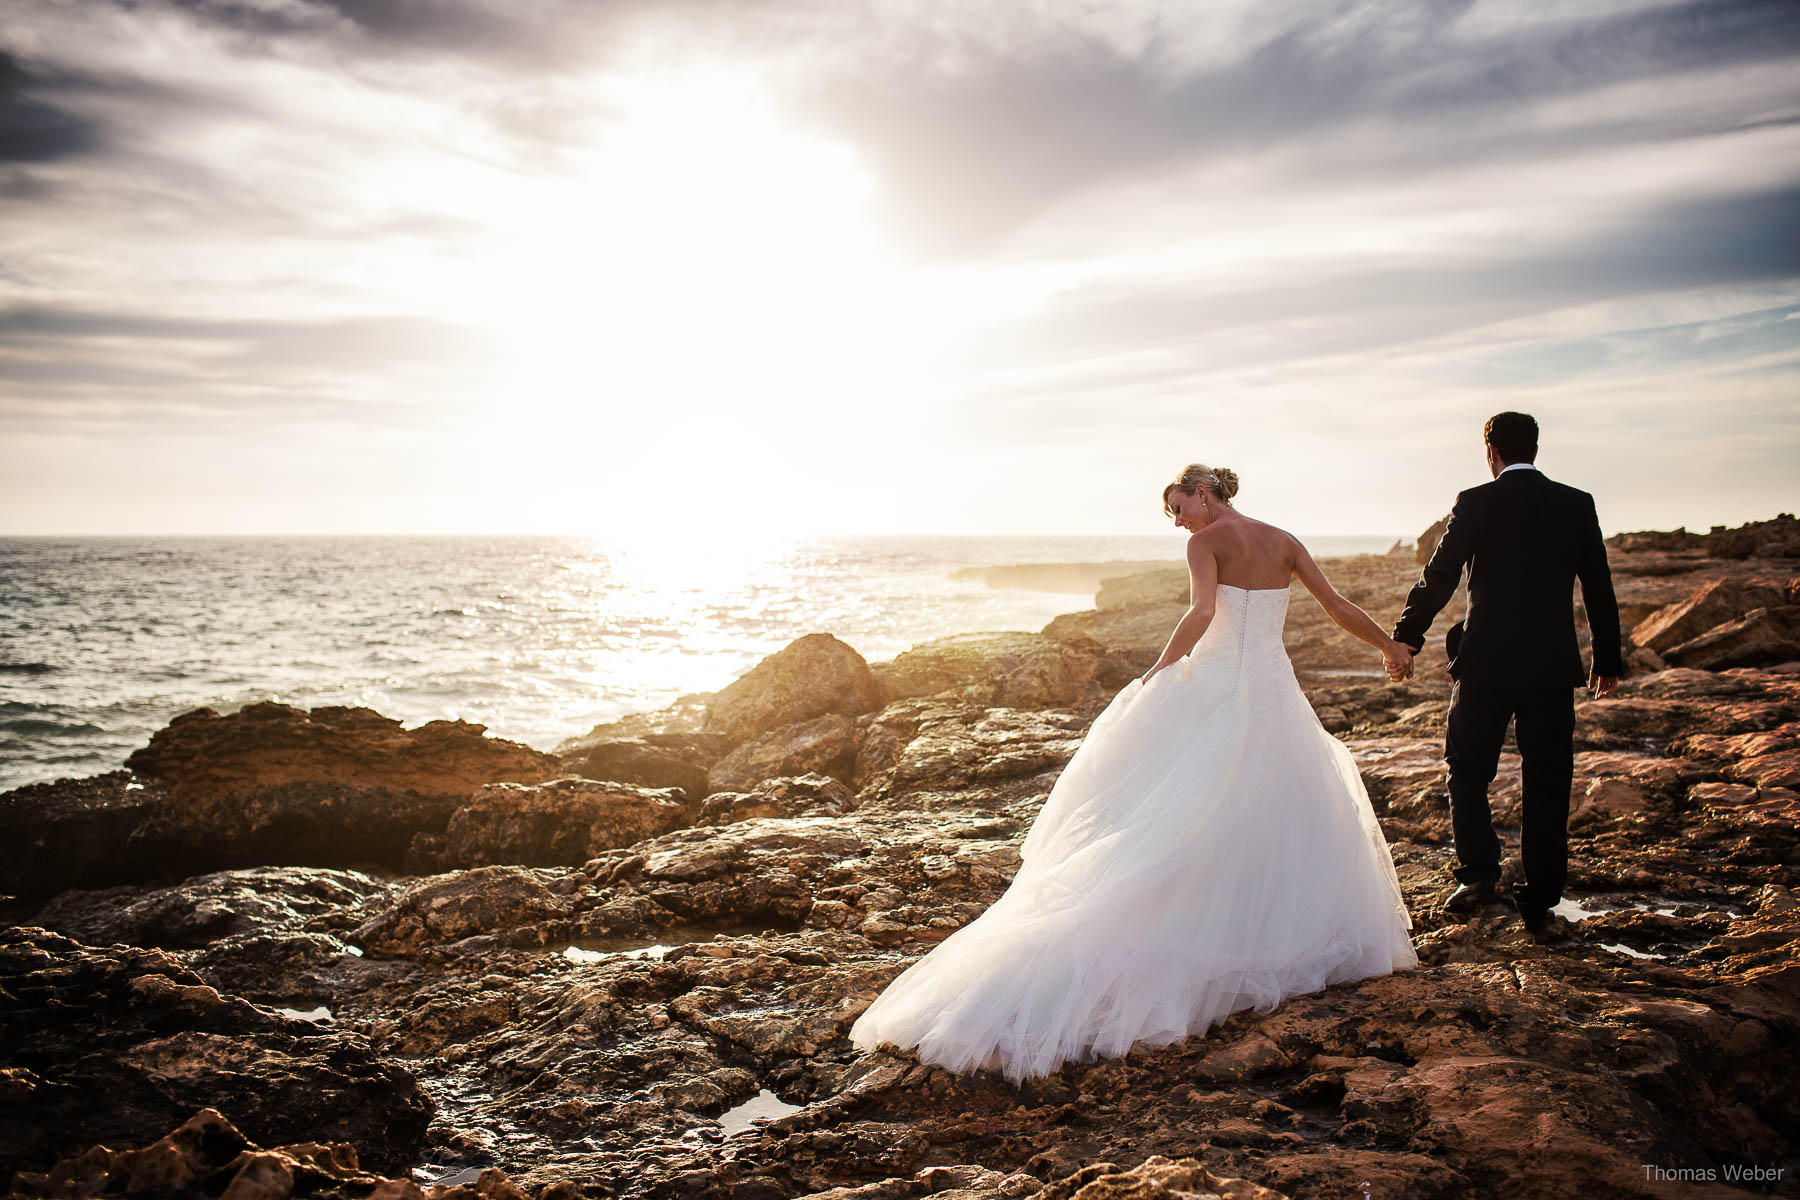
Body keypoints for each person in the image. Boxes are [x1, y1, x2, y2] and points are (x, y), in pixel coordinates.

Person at [848, 463, 1420, 1085]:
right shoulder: (1283, 540)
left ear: (1203, 493)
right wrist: (1388, 646)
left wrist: (1158, 670)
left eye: (1178, 507)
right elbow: (1336, 605)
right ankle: (1276, 937)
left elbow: (1203, 612)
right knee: (1271, 807)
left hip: (1223, 687)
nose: (1177, 521)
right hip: (1275, 690)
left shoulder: (1205, 543)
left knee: (1190, 810)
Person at [1389, 412, 1621, 938]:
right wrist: (1606, 659)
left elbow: (1441, 574)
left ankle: (1477, 877)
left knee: (1467, 769)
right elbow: (1599, 586)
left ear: (1489, 450)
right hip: (1552, 667)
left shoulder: (1477, 501)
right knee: (1548, 775)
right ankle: (1540, 895)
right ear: (1535, 448)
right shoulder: (1575, 503)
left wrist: (1407, 636)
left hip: (1485, 663)